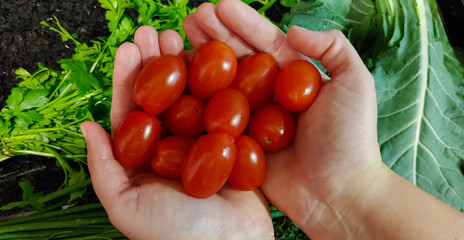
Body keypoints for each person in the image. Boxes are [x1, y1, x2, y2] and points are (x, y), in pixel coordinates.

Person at [80, 0, 464, 239]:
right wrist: (351, 194)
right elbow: (208, 133)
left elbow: (218, 132)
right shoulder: (208, 122)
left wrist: (351, 191)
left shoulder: (232, 123)